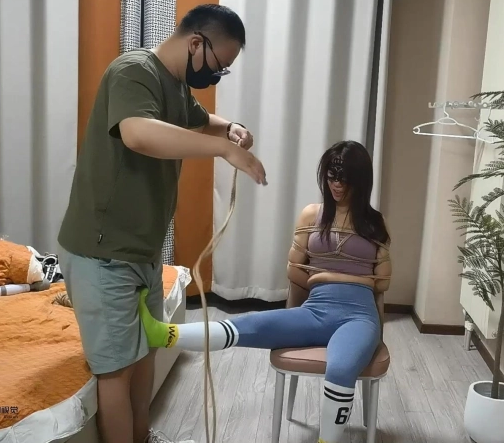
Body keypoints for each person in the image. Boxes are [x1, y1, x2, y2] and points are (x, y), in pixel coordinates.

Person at [57, 4, 267, 443]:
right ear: (196, 43)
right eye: (219, 66)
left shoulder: (174, 86)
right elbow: (138, 132)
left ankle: (142, 435)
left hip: (143, 251)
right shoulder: (133, 71)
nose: (216, 76)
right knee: (116, 371)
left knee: (146, 354)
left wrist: (230, 128)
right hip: (103, 252)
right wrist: (223, 150)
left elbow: (198, 119)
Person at [138, 140, 393, 443]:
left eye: (345, 178)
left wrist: (326, 273)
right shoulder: (312, 216)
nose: (337, 184)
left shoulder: (375, 224)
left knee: (340, 369)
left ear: (361, 181)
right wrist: (340, 275)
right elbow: (293, 271)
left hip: (359, 316)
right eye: (331, 176)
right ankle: (164, 334)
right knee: (250, 324)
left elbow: (382, 283)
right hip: (317, 310)